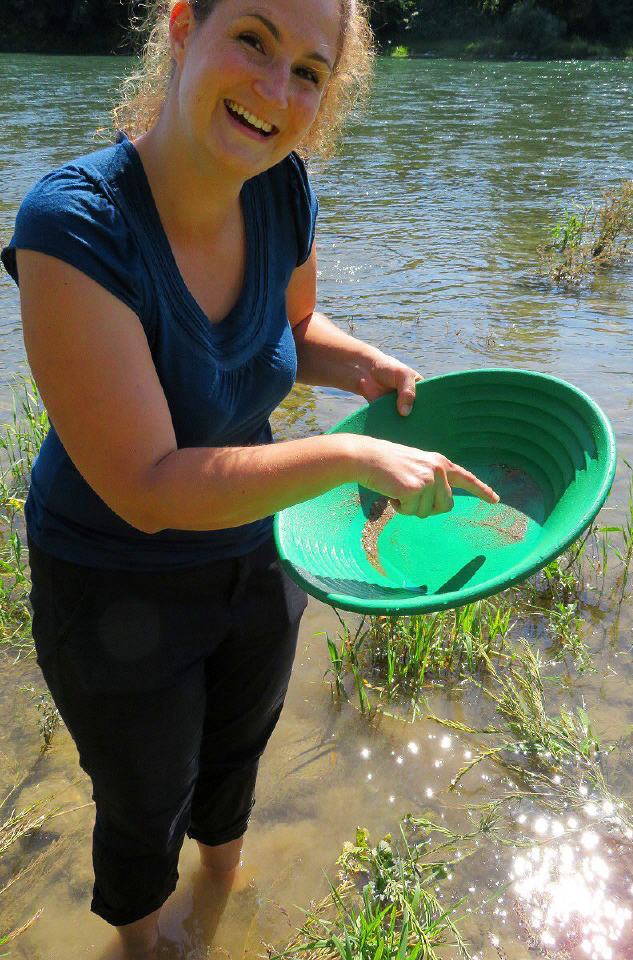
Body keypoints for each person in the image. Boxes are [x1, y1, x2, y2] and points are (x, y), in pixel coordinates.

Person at [1, 0, 499, 956]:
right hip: (113, 581)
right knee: (144, 798)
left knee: (238, 749)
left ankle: (220, 901)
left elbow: (294, 327)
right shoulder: (72, 226)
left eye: (309, 71)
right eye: (254, 40)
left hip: (260, 543)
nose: (276, 90)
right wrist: (352, 455)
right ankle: (141, 945)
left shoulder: (281, 188)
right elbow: (148, 486)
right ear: (184, 28)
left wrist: (363, 366)